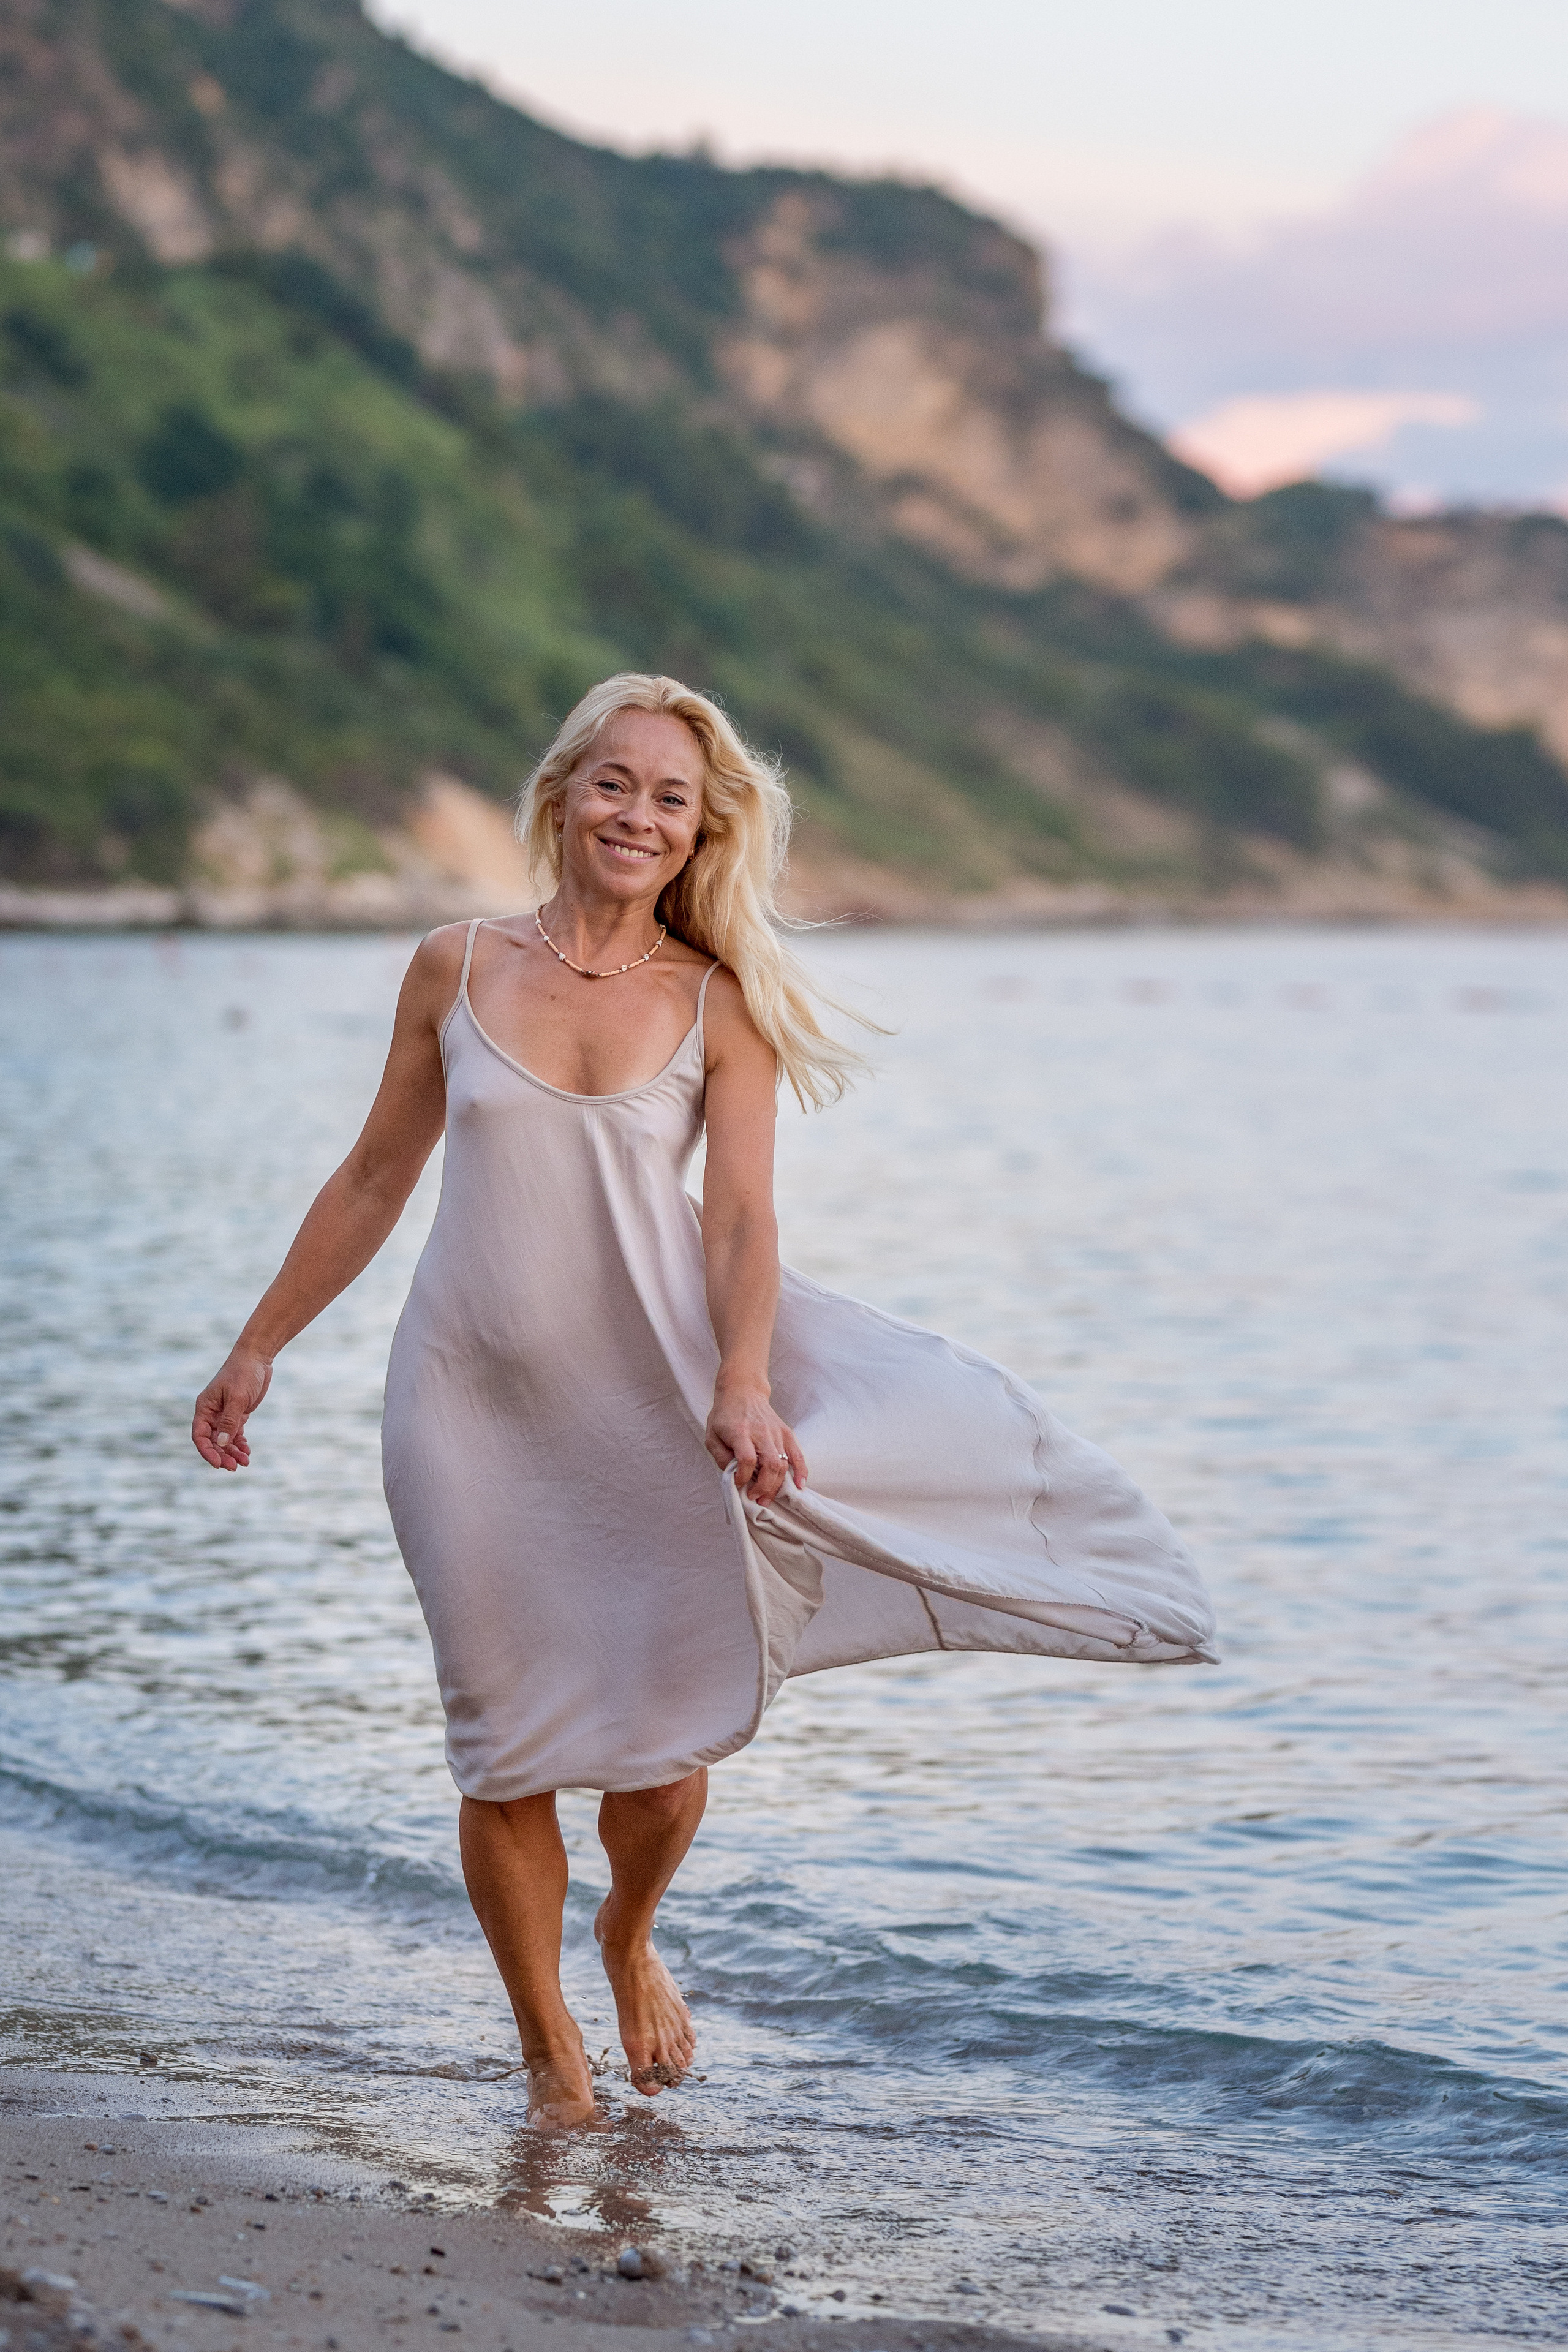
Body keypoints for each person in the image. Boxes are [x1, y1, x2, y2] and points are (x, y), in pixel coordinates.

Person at [192, 673, 1216, 2132]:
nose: (637, 815)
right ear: (561, 794)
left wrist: (743, 1383)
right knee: (502, 1741)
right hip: (463, 1405)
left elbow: (740, 1218)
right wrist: (259, 1345)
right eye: (614, 783)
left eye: (670, 798)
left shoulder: (718, 1000)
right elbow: (371, 1177)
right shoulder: (452, 965)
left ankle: (626, 1935)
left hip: (646, 1404)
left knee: (661, 1749)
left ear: (699, 832)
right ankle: (552, 2063)